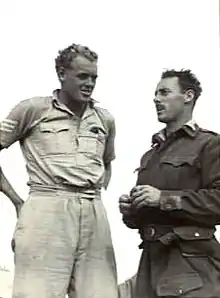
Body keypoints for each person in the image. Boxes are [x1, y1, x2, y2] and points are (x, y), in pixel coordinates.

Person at [0, 43, 118, 298]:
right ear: (62, 73)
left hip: (92, 208)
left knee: (100, 293)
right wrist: (17, 201)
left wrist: (93, 201)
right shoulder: (32, 109)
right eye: (82, 76)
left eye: (94, 77)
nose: (89, 83)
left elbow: (107, 163)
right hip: (46, 206)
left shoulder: (104, 119)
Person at [119, 69, 220, 298]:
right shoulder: (150, 155)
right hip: (151, 265)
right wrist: (131, 210)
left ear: (188, 96)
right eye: (156, 94)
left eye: (164, 92)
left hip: (191, 264)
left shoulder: (209, 145)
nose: (156, 99)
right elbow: (143, 217)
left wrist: (163, 198)